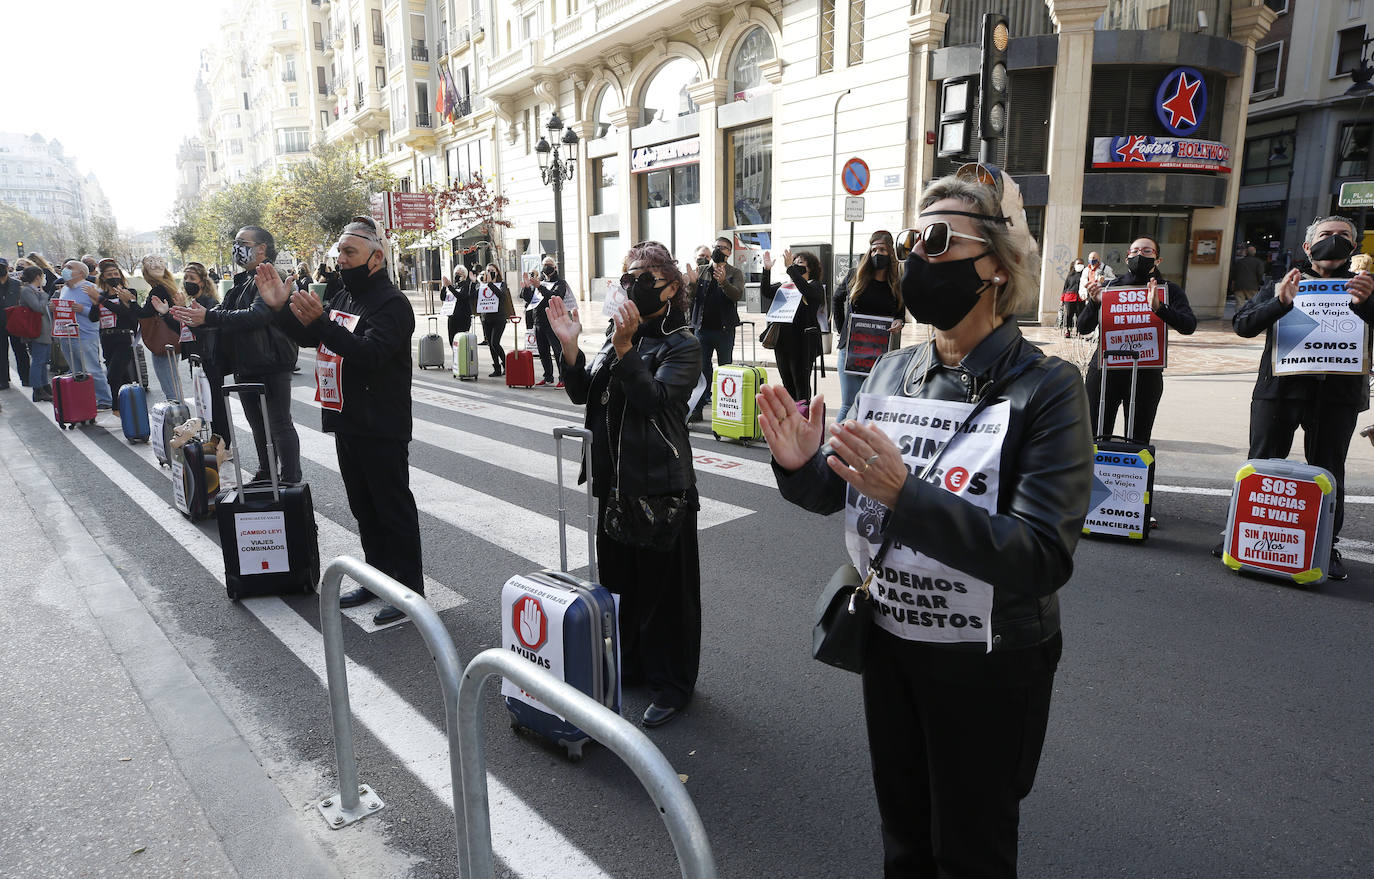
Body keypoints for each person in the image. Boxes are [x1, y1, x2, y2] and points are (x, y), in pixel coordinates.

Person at [763, 166, 1092, 878]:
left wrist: (906, 494)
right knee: (904, 837)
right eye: (915, 237)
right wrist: (801, 467)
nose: (916, 256)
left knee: (969, 851)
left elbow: (1041, 554)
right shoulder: (892, 371)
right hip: (891, 644)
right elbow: (844, 491)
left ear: (997, 268)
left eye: (938, 239)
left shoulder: (1049, 388)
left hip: (990, 662)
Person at [547, 240, 702, 728]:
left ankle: (672, 684)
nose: (629, 286)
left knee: (665, 596)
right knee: (623, 588)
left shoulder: (683, 343)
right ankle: (632, 667)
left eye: (641, 278)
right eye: (625, 277)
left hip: (661, 486)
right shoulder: (617, 337)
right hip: (614, 481)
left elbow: (655, 399)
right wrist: (570, 345)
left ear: (671, 287)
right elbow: (583, 393)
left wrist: (627, 348)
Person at [264, 216, 423, 626]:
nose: (341, 260)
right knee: (364, 508)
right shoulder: (344, 295)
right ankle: (377, 578)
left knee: (392, 508)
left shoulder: (392, 304)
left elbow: (368, 354)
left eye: (350, 252)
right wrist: (281, 309)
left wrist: (321, 323)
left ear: (376, 257)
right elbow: (311, 338)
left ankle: (409, 592)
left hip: (381, 423)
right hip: (346, 418)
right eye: (339, 253)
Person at [1232, 216, 1374, 581]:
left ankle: (1327, 545)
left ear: (1354, 247)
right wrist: (1279, 301)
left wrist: (1366, 305)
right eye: (1326, 235)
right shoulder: (1283, 282)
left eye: (1344, 236)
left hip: (1338, 396)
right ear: (1308, 247)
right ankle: (1242, 535)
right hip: (1279, 392)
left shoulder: (1366, 287)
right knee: (1261, 463)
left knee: (1330, 470)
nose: (1335, 241)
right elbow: (1243, 325)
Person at [172, 226, 302, 485]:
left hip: (271, 361)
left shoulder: (270, 275)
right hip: (247, 362)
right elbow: (225, 313)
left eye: (242, 242)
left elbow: (258, 315)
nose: (236, 248)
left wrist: (208, 316)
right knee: (258, 426)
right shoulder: (243, 280)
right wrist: (198, 316)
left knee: (279, 424)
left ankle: (290, 480)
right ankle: (267, 473)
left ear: (262, 248)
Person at [1076, 236, 1196, 452]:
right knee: (1094, 439)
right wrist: (1094, 304)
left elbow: (1188, 326)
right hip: (1104, 372)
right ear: (1127, 256)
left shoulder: (1168, 290)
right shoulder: (1111, 288)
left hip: (1145, 375)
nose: (1140, 255)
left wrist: (1160, 308)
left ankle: (1133, 485)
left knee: (1138, 441)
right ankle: (1091, 485)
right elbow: (1083, 328)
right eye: (1135, 251)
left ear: (1158, 260)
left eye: (1147, 251)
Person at [833, 231, 904, 423]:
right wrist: (843, 331)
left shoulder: (897, 282)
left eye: (882, 249)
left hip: (880, 353)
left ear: (890, 252)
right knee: (849, 403)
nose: (877, 254)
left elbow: (900, 312)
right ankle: (834, 450)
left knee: (874, 405)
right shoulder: (855, 275)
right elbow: (836, 299)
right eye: (873, 249)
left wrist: (899, 321)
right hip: (851, 349)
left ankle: (861, 448)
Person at [686, 236, 745, 422]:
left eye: (724, 248)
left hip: (724, 330)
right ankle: (697, 408)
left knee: (725, 369)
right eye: (717, 247)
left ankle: (724, 409)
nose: (720, 250)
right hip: (702, 329)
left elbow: (736, 295)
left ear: (729, 253)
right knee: (702, 371)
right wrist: (692, 283)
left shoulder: (735, 272)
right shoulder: (702, 270)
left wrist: (723, 282)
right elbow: (689, 299)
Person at [760, 249, 824, 414]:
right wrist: (766, 271)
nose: (796, 267)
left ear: (811, 269)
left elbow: (807, 291)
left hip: (803, 343)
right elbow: (766, 291)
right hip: (783, 342)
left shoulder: (814, 286)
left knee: (800, 385)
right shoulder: (785, 286)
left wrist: (790, 269)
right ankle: (790, 418)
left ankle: (803, 419)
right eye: (794, 263)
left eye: (801, 264)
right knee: (787, 383)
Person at [55, 260, 114, 410]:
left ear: (81, 272)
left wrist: (83, 309)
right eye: (64, 267)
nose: (64, 270)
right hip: (67, 335)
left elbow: (101, 312)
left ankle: (105, 400)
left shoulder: (91, 288)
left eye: (69, 268)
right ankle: (86, 399)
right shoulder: (64, 289)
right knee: (76, 371)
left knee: (92, 369)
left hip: (86, 336)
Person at [139, 255, 186, 400]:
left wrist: (131, 301)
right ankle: (180, 412)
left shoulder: (158, 290)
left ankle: (178, 416)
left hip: (163, 341)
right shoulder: (168, 286)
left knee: (169, 384)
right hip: (173, 338)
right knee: (173, 381)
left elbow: (145, 313)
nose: (155, 265)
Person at [95, 258, 140, 400]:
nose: (113, 277)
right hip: (106, 337)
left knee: (113, 375)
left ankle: (116, 406)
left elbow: (124, 312)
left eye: (116, 274)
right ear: (103, 277)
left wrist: (101, 301)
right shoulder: (101, 296)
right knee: (121, 375)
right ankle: (128, 406)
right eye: (109, 275)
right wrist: (96, 302)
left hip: (124, 338)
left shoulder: (128, 292)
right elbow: (93, 317)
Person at [524, 255, 572, 387]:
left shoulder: (560, 283)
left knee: (557, 351)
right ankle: (548, 376)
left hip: (554, 322)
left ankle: (563, 377)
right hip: (538, 321)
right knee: (542, 351)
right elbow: (529, 300)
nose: (547, 267)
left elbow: (556, 297)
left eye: (549, 264)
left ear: (555, 267)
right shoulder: (540, 282)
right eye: (545, 264)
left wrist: (540, 287)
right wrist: (527, 287)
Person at [18, 266, 54, 401]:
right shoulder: (27, 291)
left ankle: (45, 386)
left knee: (43, 361)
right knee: (38, 361)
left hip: (43, 329)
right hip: (36, 330)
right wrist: (45, 296)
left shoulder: (35, 291)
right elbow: (38, 308)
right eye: (42, 276)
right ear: (38, 277)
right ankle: (37, 389)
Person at [478, 263, 513, 377]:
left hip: (499, 318)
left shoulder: (502, 284)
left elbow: (502, 296)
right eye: (487, 270)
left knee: (495, 342)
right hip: (486, 318)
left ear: (497, 272)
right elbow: (472, 295)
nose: (489, 272)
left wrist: (490, 284)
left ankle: (507, 365)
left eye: (492, 270)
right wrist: (476, 282)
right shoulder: (482, 285)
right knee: (490, 344)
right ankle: (497, 368)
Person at [0, 259, 31, 389]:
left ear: (7, 268)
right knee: (1, 353)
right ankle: (3, 380)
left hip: (15, 322)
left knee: (21, 352)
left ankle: (26, 378)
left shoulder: (17, 284)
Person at [442, 264, 475, 344]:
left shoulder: (466, 286)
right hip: (452, 317)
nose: (457, 276)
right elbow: (443, 297)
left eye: (459, 274)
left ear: (464, 276)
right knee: (452, 341)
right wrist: (444, 287)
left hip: (463, 318)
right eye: (456, 274)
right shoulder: (454, 286)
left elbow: (461, 296)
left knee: (461, 342)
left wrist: (449, 286)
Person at [1231, 245, 1268, 310]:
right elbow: (1260, 273)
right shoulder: (1258, 262)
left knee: (1239, 304)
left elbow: (1233, 274)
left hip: (1239, 285)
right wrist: (1260, 282)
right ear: (1254, 253)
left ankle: (1238, 318)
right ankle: (1250, 318)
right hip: (1252, 286)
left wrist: (1233, 284)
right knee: (1253, 304)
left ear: (1246, 252)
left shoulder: (1239, 262)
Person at [1061, 257, 1086, 338]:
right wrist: (1062, 299)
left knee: (1080, 315)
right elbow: (1065, 287)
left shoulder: (1085, 275)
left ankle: (1080, 331)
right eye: (1078, 263)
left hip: (1081, 298)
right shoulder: (1070, 275)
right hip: (1069, 298)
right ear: (1074, 265)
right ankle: (1067, 330)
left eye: (1081, 263)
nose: (1080, 265)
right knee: (1069, 315)